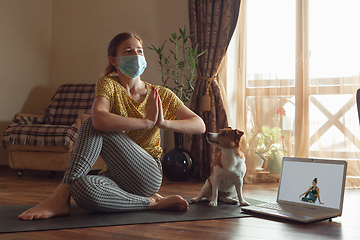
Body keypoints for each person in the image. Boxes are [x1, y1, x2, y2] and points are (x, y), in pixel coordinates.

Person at [18, 32, 206, 220]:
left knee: (93, 124)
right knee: (82, 189)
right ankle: (152, 203)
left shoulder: (160, 94)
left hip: (148, 174)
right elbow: (100, 116)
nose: (136, 56)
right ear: (114, 60)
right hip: (116, 174)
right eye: (128, 51)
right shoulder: (108, 84)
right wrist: (146, 122)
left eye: (140, 51)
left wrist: (162, 122)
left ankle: (60, 196)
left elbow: (199, 125)